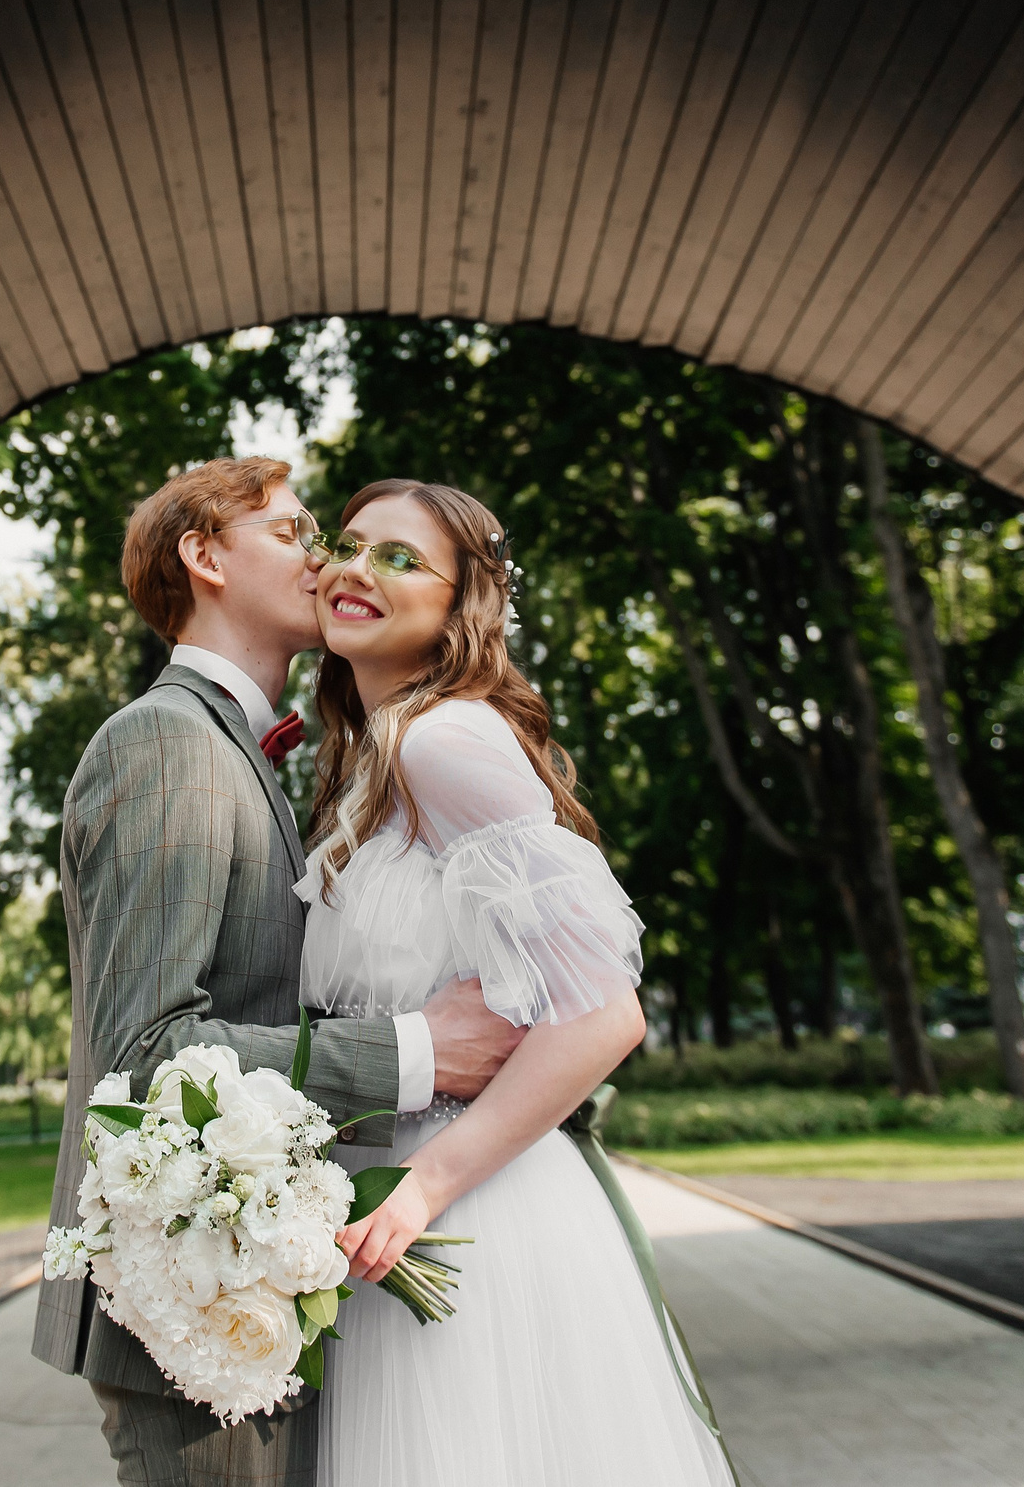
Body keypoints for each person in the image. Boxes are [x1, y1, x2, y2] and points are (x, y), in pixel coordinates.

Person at [32, 457, 532, 1487]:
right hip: (185, 1315)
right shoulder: (167, 743)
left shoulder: (248, 753)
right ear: (205, 554)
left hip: (251, 1284)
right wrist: (419, 1049)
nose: (328, 558)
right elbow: (144, 1054)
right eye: (298, 532)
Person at [300, 478, 737, 1487]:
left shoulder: (442, 739)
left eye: (401, 557)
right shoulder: (366, 755)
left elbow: (602, 1011)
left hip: (466, 1212)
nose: (357, 568)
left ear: (461, 606)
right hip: (388, 1216)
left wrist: (429, 1183)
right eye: (350, 544)